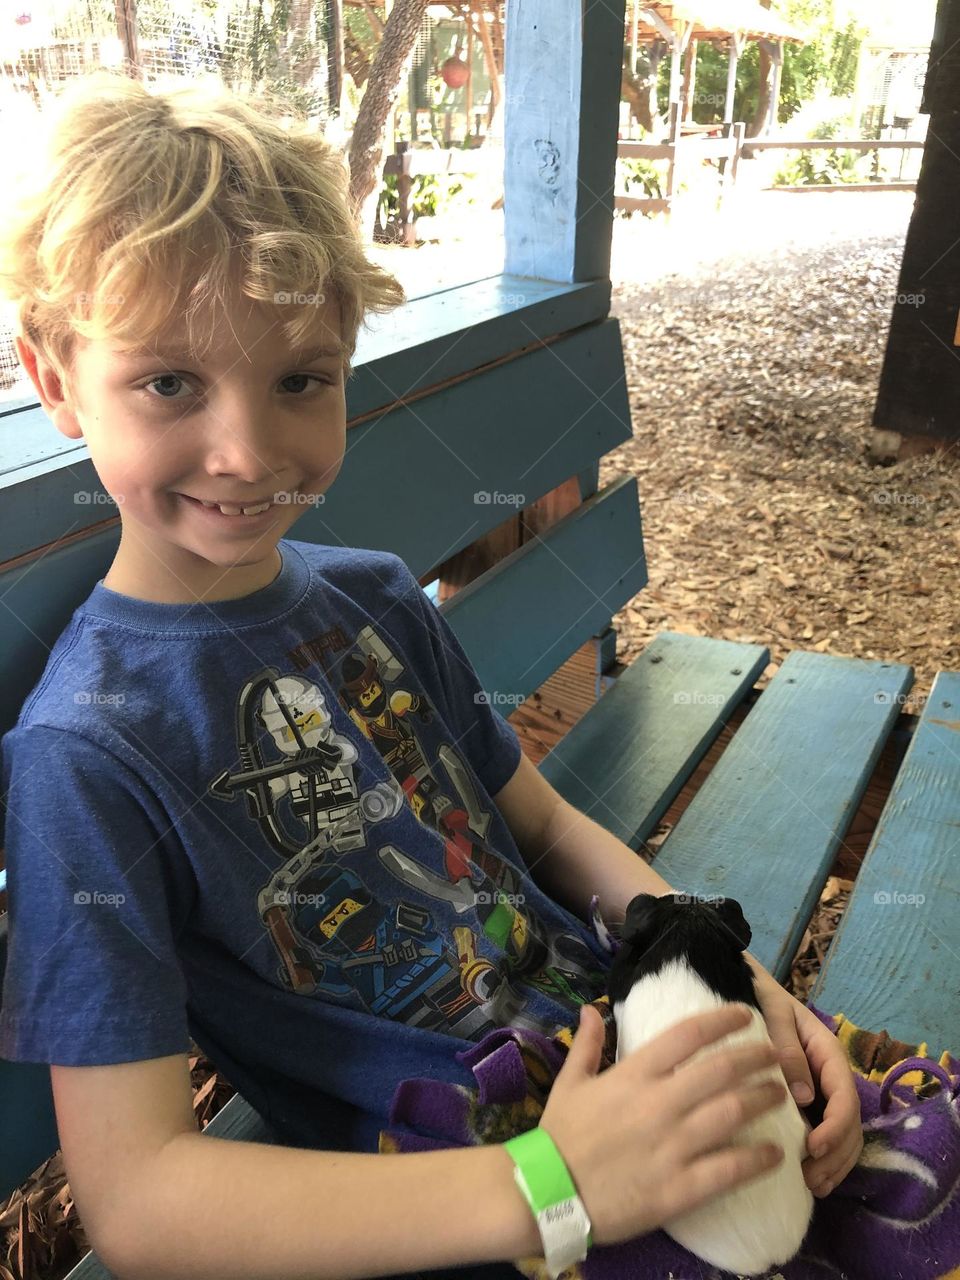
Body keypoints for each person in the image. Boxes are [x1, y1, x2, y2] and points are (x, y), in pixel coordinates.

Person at [0, 69, 862, 1280]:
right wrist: (560, 1187)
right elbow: (140, 1199)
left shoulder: (375, 598)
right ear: (53, 380)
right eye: (169, 382)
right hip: (470, 1196)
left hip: (621, 1058)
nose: (248, 449)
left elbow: (549, 829)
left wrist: (732, 981)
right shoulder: (86, 753)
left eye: (301, 377)